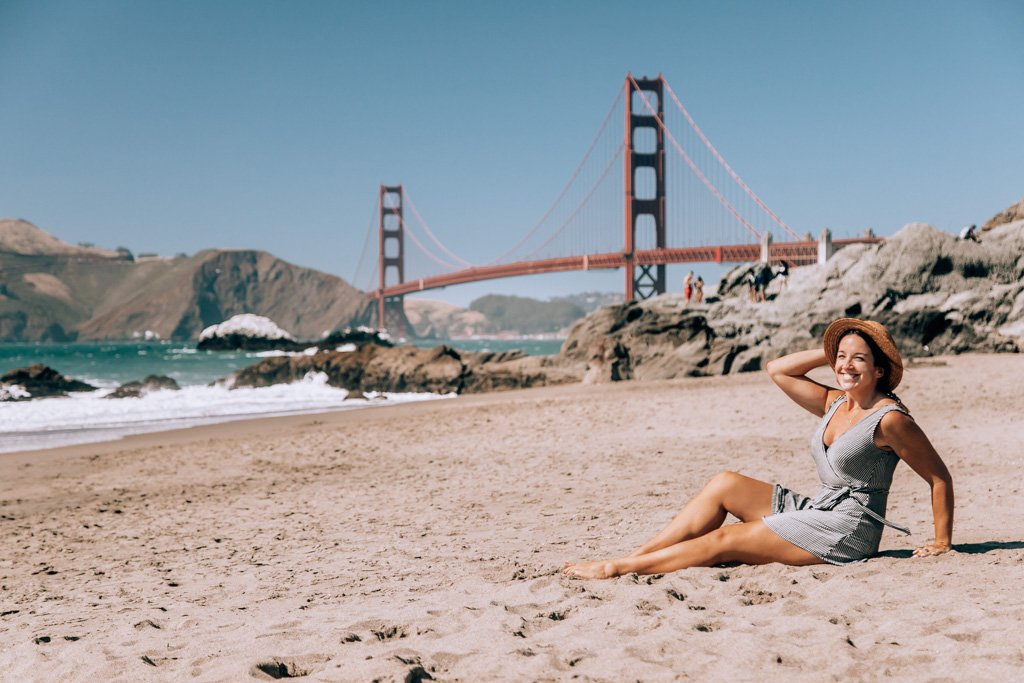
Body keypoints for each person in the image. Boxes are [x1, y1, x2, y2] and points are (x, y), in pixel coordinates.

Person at [563, 318, 953, 578]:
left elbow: (938, 478)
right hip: (820, 508)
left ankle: (618, 569)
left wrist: (941, 541)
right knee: (725, 483)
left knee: (725, 541)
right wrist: (834, 348)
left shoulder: (889, 419)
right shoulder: (835, 401)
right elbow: (778, 369)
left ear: (880, 370)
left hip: (849, 530)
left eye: (860, 360)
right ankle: (638, 556)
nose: (846, 366)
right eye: (842, 358)